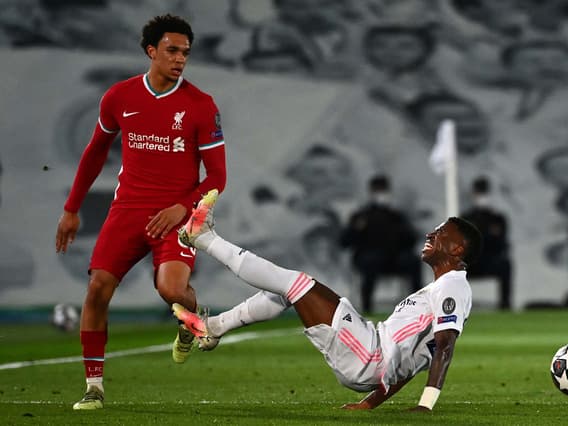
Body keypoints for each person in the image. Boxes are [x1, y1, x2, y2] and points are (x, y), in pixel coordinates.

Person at [173, 189, 483, 411]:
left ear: (457, 250)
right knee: (288, 292)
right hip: (368, 353)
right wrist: (370, 403)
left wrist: (425, 406)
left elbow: (445, 347)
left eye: (441, 233)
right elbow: (410, 363)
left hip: (367, 354)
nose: (431, 234)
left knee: (296, 283)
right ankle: (212, 328)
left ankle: (203, 237)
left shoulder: (453, 287)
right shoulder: (444, 289)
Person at [54, 14, 227, 410]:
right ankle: (94, 387)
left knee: (169, 290)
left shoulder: (201, 106)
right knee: (98, 288)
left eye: (185, 52)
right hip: (128, 209)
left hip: (178, 214)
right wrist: (71, 209)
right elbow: (95, 151)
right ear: (151, 51)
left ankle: (191, 314)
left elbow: (218, 176)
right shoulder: (119, 97)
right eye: (172, 50)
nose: (180, 58)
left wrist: (183, 207)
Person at [340, 174, 423, 313]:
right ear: (371, 192)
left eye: (384, 190)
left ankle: (419, 305)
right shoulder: (361, 216)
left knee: (413, 261)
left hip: (394, 259)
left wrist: (403, 234)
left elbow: (411, 240)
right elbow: (344, 242)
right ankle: (367, 307)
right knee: (372, 261)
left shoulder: (396, 216)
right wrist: (356, 229)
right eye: (378, 191)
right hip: (368, 259)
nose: (381, 194)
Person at [460, 176, 513, 310]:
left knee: (505, 264)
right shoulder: (466, 217)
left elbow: (500, 242)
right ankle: (456, 306)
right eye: (479, 192)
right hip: (470, 263)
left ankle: (505, 305)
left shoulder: (497, 218)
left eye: (484, 192)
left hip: (490, 260)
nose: (482, 196)